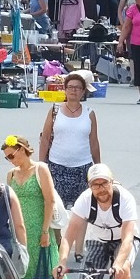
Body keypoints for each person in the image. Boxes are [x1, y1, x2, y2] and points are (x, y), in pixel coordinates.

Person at [2, 135, 77, 279]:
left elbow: (49, 200)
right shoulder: (11, 175)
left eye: (12, 155)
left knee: (42, 272)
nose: (11, 160)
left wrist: (45, 231)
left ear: (22, 149)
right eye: (7, 158)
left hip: (38, 229)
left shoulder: (40, 169)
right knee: (22, 271)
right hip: (19, 229)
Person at [40, 71, 101, 207]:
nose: (74, 90)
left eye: (78, 88)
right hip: (57, 167)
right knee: (55, 210)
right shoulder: (55, 110)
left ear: (83, 91)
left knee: (82, 211)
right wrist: (41, 164)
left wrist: (98, 166)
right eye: (70, 87)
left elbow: (94, 142)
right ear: (65, 90)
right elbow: (45, 138)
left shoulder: (89, 113)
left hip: (82, 169)